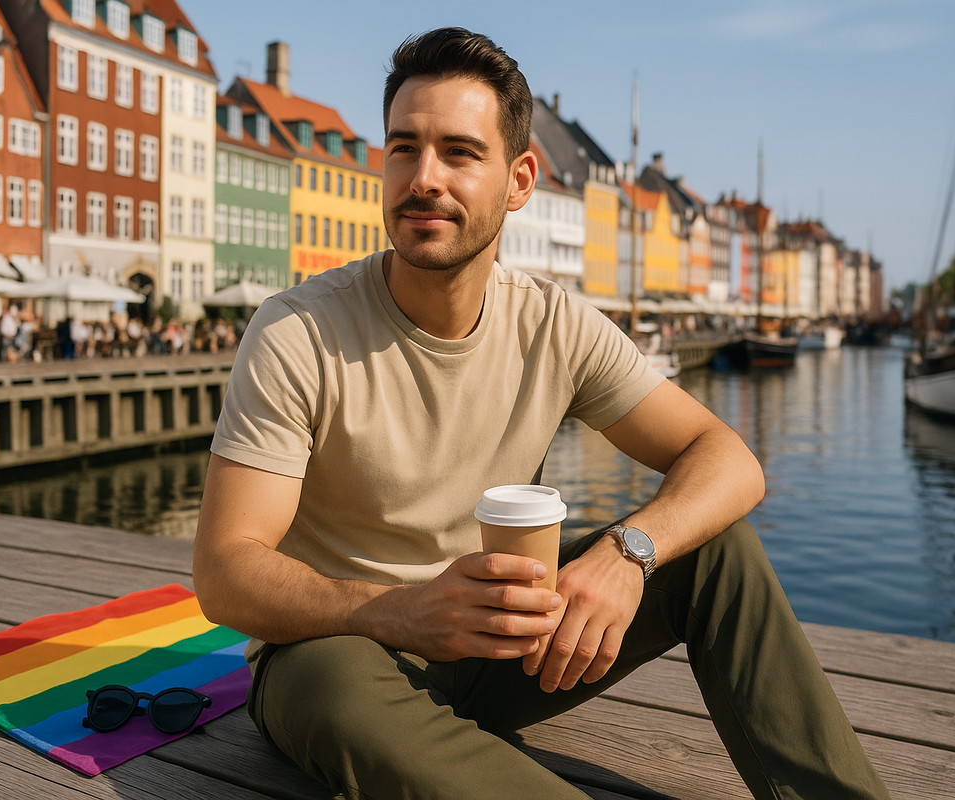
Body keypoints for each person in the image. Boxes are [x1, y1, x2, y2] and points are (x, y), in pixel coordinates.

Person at [192, 27, 890, 800]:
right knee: (330, 686)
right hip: (341, 649)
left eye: (459, 152)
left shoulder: (554, 324)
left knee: (716, 550)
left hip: (500, 647)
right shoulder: (298, 331)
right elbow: (226, 572)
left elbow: (727, 457)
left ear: (519, 179)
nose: (424, 178)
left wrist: (629, 553)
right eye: (403, 148)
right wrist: (402, 611)